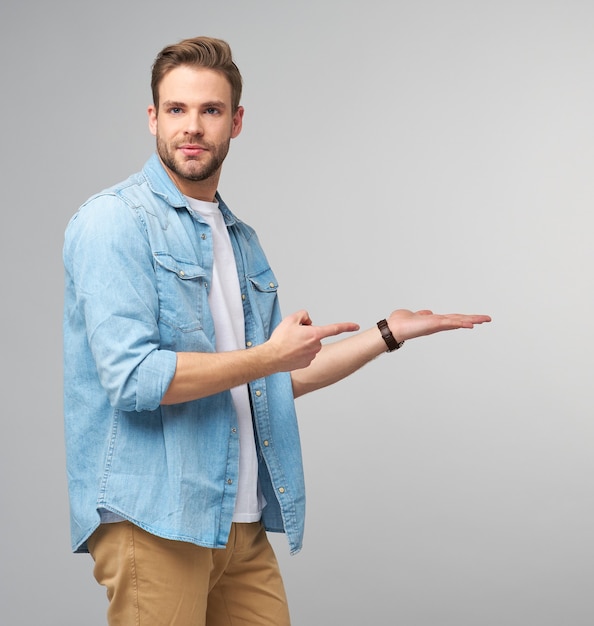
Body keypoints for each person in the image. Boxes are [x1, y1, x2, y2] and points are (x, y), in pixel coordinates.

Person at [63, 36, 491, 626]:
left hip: (237, 519)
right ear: (152, 118)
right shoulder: (113, 222)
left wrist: (387, 333)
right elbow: (135, 379)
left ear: (235, 122)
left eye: (210, 111)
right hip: (156, 518)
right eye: (177, 110)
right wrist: (267, 357)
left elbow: (270, 378)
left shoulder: (241, 241)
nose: (192, 127)